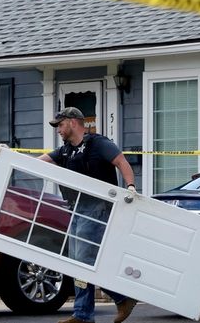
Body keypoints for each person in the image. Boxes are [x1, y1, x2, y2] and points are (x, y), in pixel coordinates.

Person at [38, 107, 137, 323]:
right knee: (77, 260)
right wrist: (7, 156)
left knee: (84, 259)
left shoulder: (97, 143)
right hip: (76, 207)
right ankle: (117, 299)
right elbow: (36, 162)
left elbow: (121, 162)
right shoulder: (65, 151)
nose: (58, 130)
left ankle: (87, 312)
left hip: (98, 206)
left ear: (73, 122)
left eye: (60, 125)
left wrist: (130, 187)